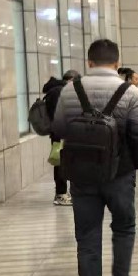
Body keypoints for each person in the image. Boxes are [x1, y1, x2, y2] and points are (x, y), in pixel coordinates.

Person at [51, 39, 138, 276]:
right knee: (124, 227)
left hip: (82, 176)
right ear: (117, 63)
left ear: (89, 62)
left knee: (87, 236)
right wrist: (132, 162)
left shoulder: (71, 90)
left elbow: (58, 128)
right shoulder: (129, 91)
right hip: (119, 174)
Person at [43, 69, 80, 206]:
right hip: (61, 134)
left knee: (63, 162)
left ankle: (63, 192)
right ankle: (60, 194)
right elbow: (58, 115)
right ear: (71, 80)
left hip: (60, 133)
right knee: (60, 163)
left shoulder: (57, 90)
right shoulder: (58, 92)